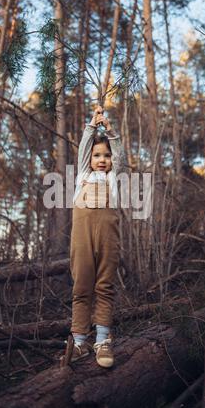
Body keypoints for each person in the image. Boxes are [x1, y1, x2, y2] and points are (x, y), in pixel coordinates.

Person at [68, 105, 124, 368]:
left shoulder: (112, 178)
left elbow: (118, 151)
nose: (102, 159)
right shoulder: (83, 175)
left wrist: (110, 130)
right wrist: (93, 124)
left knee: (104, 286)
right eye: (97, 155)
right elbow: (83, 147)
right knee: (81, 287)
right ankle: (80, 342)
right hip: (83, 238)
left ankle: (102, 339)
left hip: (107, 239)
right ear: (89, 159)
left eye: (107, 156)